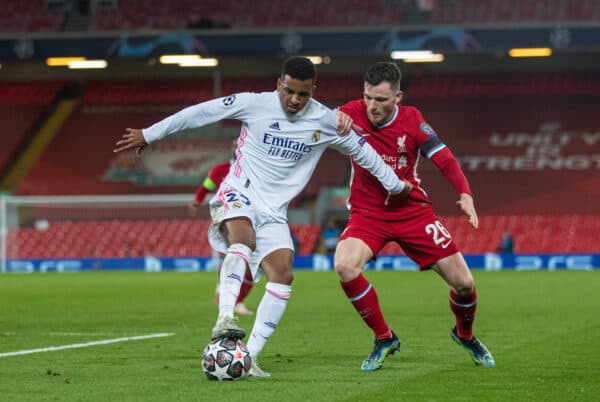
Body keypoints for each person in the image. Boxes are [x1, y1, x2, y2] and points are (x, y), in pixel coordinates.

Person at [114, 56, 411, 378]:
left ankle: (249, 357)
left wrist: (395, 184)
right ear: (278, 84)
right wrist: (150, 133)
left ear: (314, 90)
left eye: (303, 94)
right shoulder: (252, 104)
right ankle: (224, 319)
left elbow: (365, 152)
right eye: (289, 91)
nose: (295, 100)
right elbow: (199, 113)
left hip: (273, 211)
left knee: (283, 273)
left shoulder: (327, 122)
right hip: (239, 191)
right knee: (243, 239)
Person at [334, 62, 495, 371]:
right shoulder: (348, 112)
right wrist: (332, 119)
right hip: (368, 213)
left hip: (412, 211)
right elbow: (309, 124)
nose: (372, 106)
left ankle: (465, 334)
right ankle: (384, 338)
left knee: (464, 283)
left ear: (398, 97)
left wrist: (465, 193)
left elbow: (444, 158)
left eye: (381, 100)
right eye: (367, 97)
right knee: (344, 264)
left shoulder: (412, 120)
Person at [190, 139, 254, 316]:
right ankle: (228, 295)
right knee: (233, 256)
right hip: (226, 215)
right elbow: (206, 187)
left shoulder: (256, 169)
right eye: (235, 145)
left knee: (253, 264)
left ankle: (238, 299)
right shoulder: (219, 170)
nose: (238, 148)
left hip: (253, 215)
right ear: (232, 149)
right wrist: (196, 201)